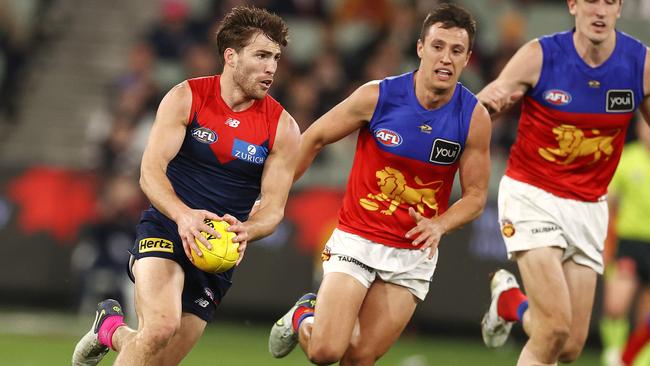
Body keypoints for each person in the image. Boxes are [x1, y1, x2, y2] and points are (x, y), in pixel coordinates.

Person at [72, 6, 300, 366]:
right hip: (166, 227)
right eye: (261, 55)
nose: (271, 67)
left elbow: (273, 208)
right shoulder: (187, 97)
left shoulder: (283, 128)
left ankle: (111, 330)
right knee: (160, 327)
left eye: (275, 57)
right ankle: (118, 329)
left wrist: (247, 230)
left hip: (217, 252)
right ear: (231, 56)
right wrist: (183, 216)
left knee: (158, 358)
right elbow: (150, 174)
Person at [268, 4, 492, 365]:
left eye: (456, 50)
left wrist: (440, 224)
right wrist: (274, 196)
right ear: (420, 48)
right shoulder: (378, 96)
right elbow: (313, 138)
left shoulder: (474, 117)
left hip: (411, 254)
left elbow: (477, 195)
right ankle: (303, 316)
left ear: (467, 58)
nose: (445, 58)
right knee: (326, 351)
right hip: (358, 237)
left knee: (359, 358)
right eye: (437, 46)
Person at [478, 0, 650, 365]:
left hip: (588, 205)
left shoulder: (640, 64)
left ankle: (510, 303)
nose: (599, 11)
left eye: (610, 1)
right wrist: (489, 105)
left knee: (570, 344)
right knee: (553, 328)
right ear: (573, 4)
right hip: (533, 194)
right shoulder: (539, 55)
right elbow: (486, 104)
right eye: (591, 0)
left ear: (620, 8)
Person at [600, 118, 650, 366]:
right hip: (629, 243)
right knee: (615, 305)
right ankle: (613, 352)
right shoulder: (627, 158)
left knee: (646, 316)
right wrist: (607, 246)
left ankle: (636, 360)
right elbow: (609, 207)